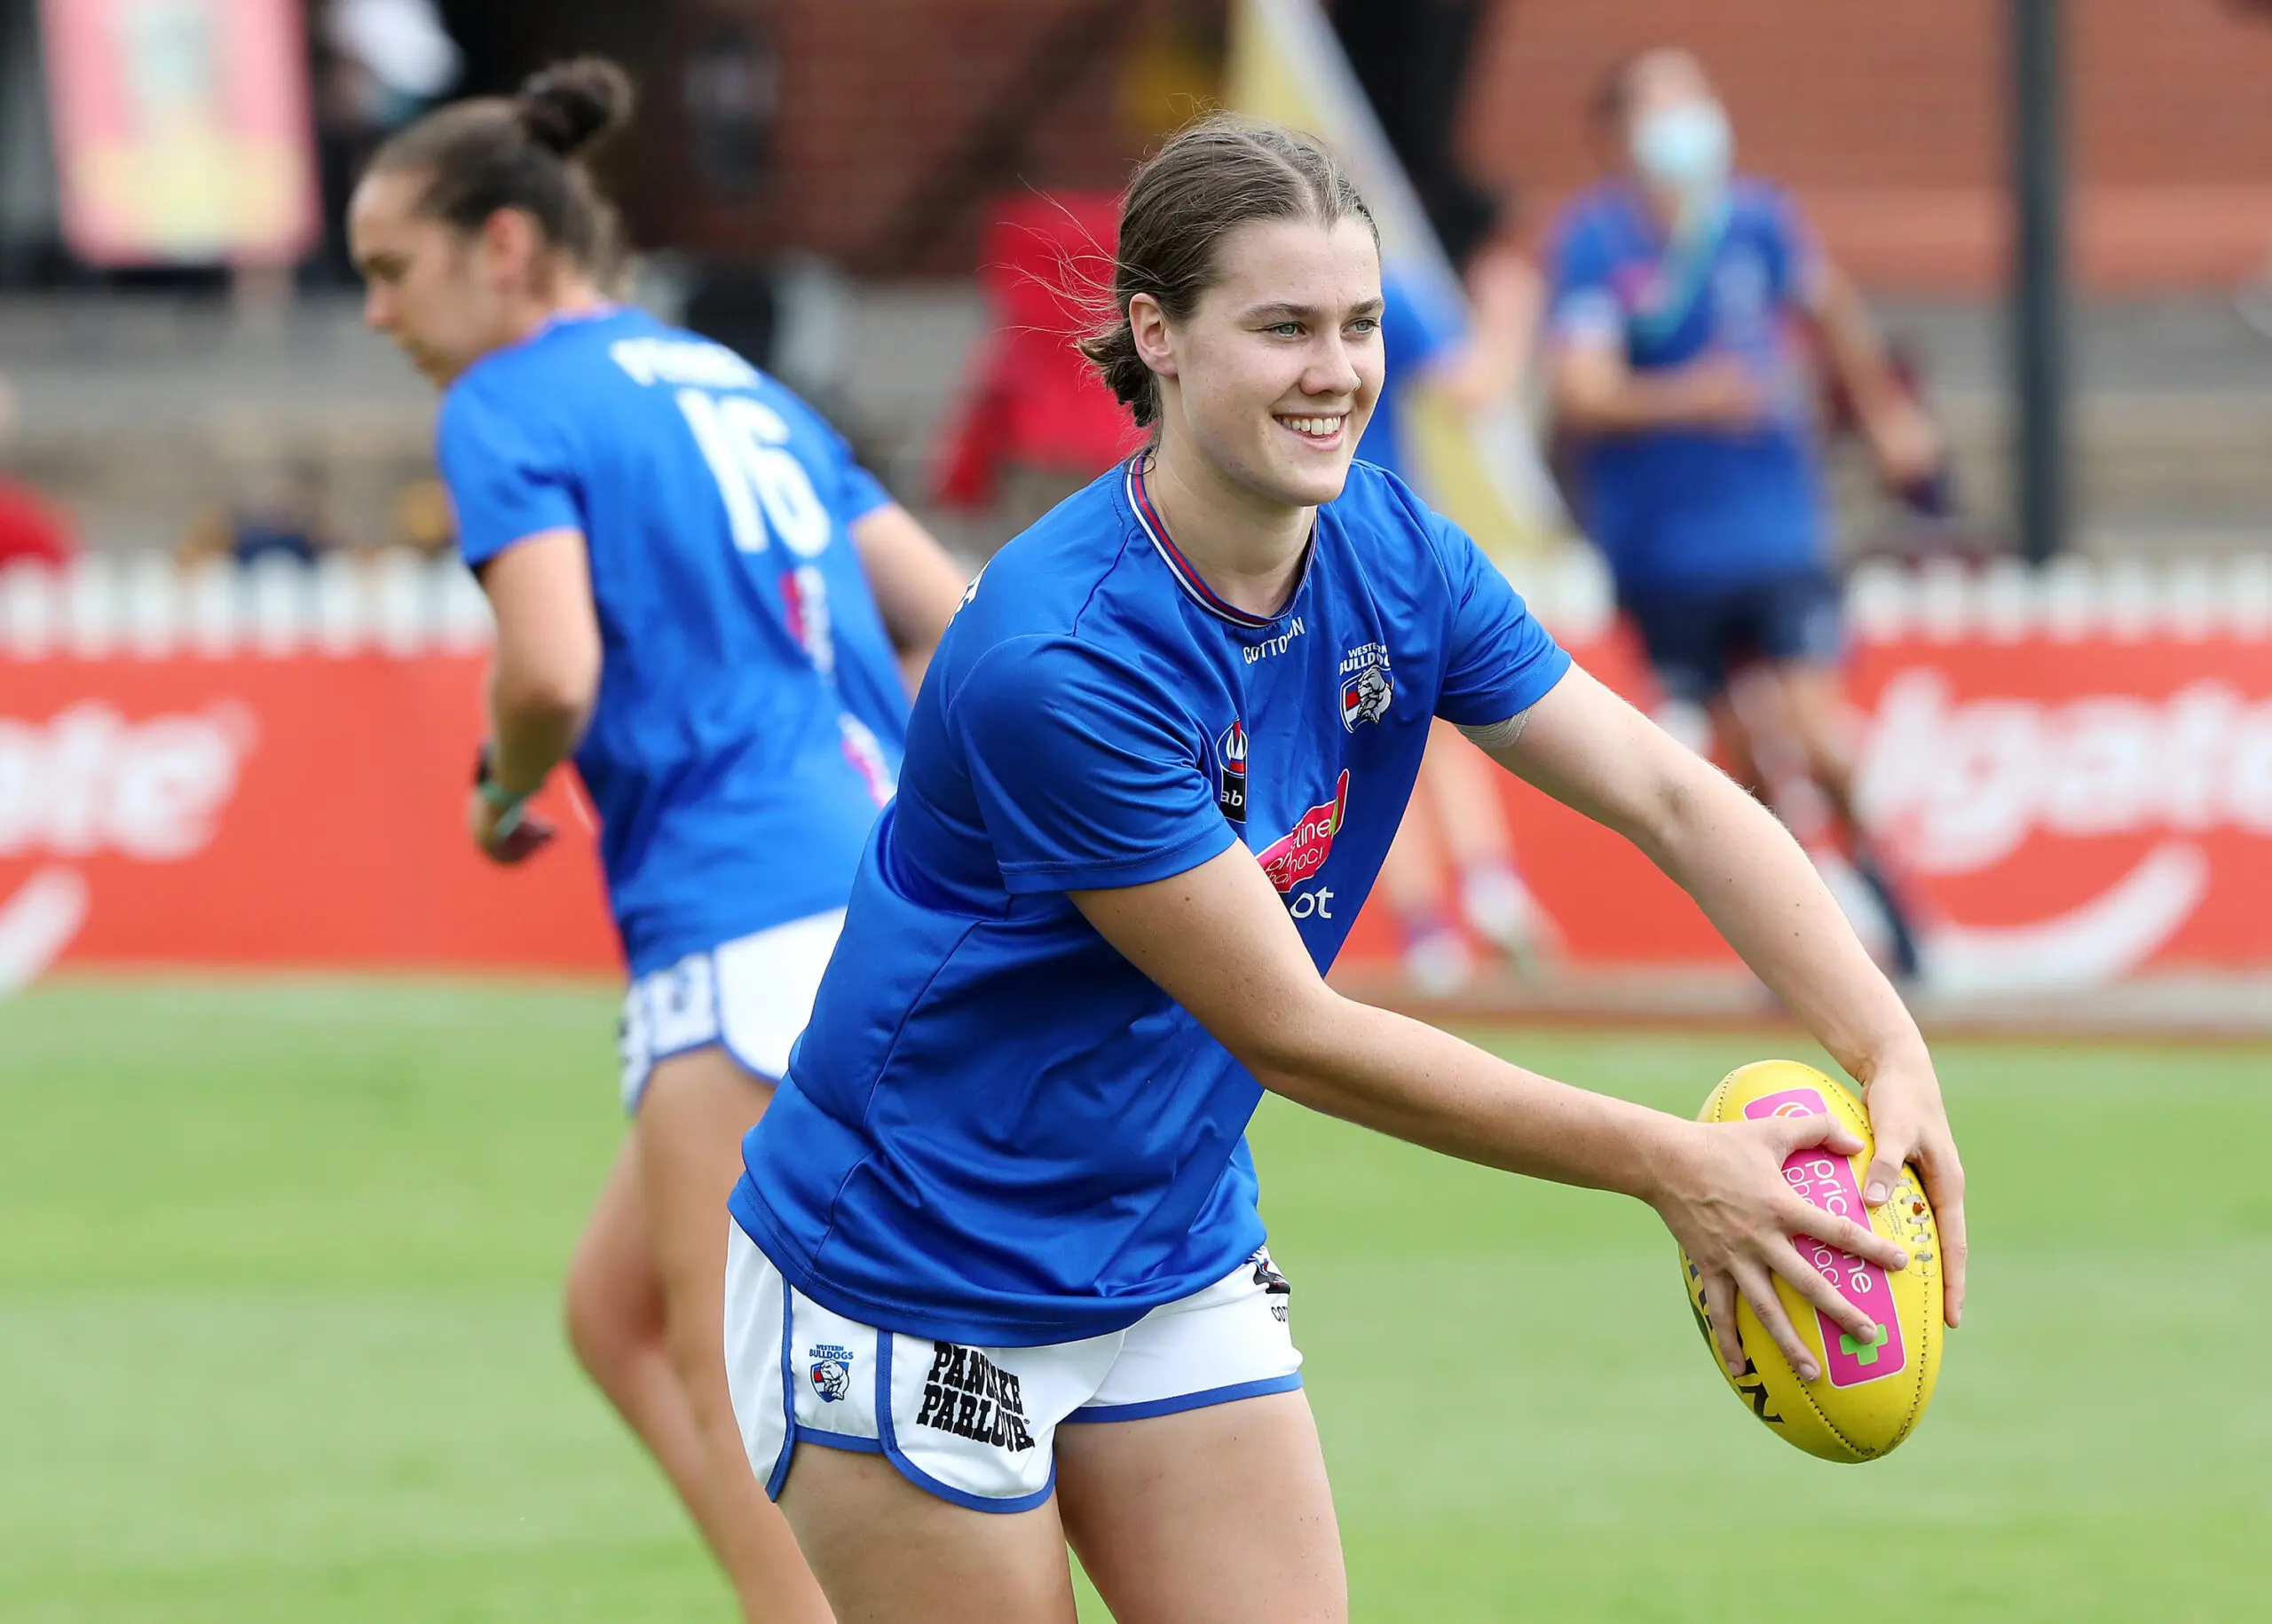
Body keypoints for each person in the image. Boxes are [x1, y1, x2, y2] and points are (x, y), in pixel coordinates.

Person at [720, 117, 1968, 1622]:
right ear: (1157, 335)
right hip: (911, 1261)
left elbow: (1667, 794)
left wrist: (1887, 1045)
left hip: (1168, 1231)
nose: (1338, 371)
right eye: (1284, 328)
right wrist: (1671, 1165)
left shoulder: (1392, 548)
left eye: (1361, 324)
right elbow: (1293, 1032)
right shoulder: (1065, 661)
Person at [347, 58, 966, 1624]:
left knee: (734, 1364)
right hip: (883, 901)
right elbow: (949, 614)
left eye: (391, 269)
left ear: (502, 247)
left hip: (738, 921)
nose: (375, 311)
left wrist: (504, 789)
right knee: (612, 1312)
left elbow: (551, 671)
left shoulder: (504, 399)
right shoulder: (730, 383)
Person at [1544, 47, 1935, 975]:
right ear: (1618, 135)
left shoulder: (1758, 221)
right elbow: (1580, 390)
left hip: (1777, 533)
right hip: (1663, 550)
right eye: (1661, 104)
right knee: (1740, 764)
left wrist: (1886, 415)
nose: (1686, 121)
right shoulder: (1595, 244)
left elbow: (1831, 307)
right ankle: (1802, 940)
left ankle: (1885, 893)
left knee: (1820, 736)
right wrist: (1693, 397)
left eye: (1695, 97)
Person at [1356, 209, 1558, 990]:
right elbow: (1474, 389)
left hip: (1299, 544)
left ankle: (1428, 934)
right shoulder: (1379, 287)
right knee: (1436, 723)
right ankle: (1487, 886)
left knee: (1361, 738)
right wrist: (1511, 316)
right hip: (1388, 535)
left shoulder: (1255, 294)